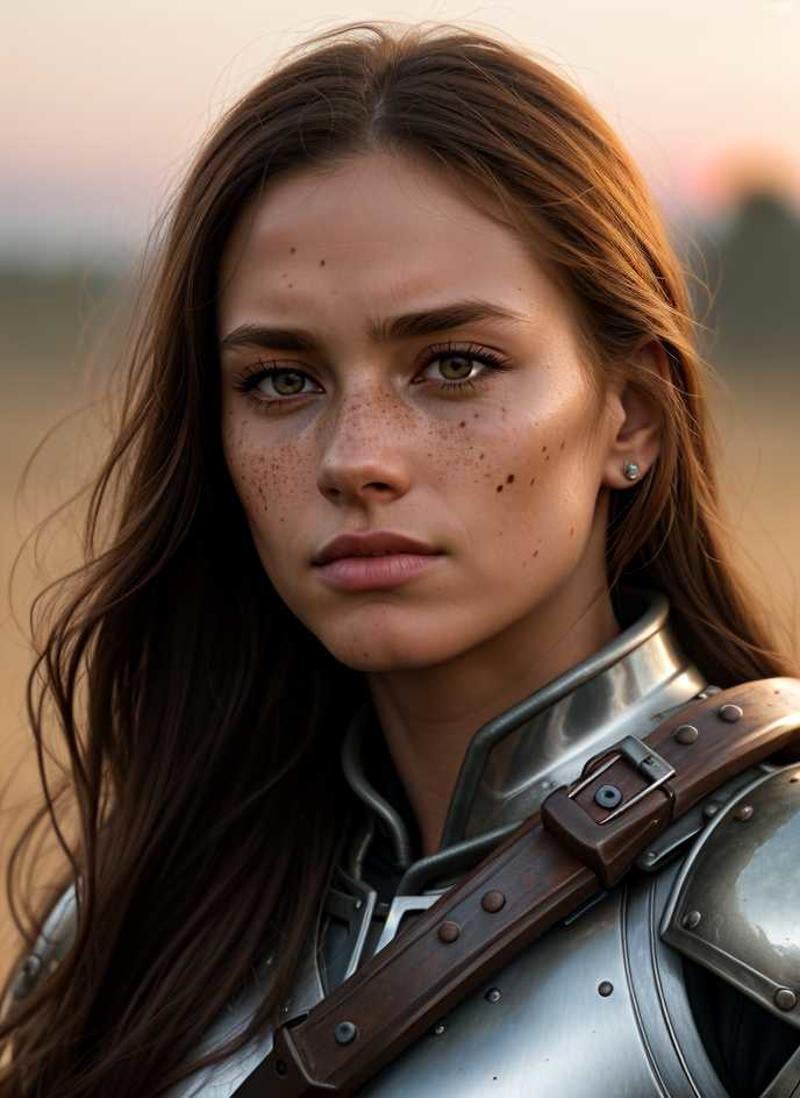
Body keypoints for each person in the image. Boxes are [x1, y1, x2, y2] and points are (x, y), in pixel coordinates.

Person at [1, 19, 798, 1098]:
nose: (354, 458)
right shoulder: (126, 926)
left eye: (454, 365)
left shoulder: (768, 909)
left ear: (631, 418)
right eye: (281, 380)